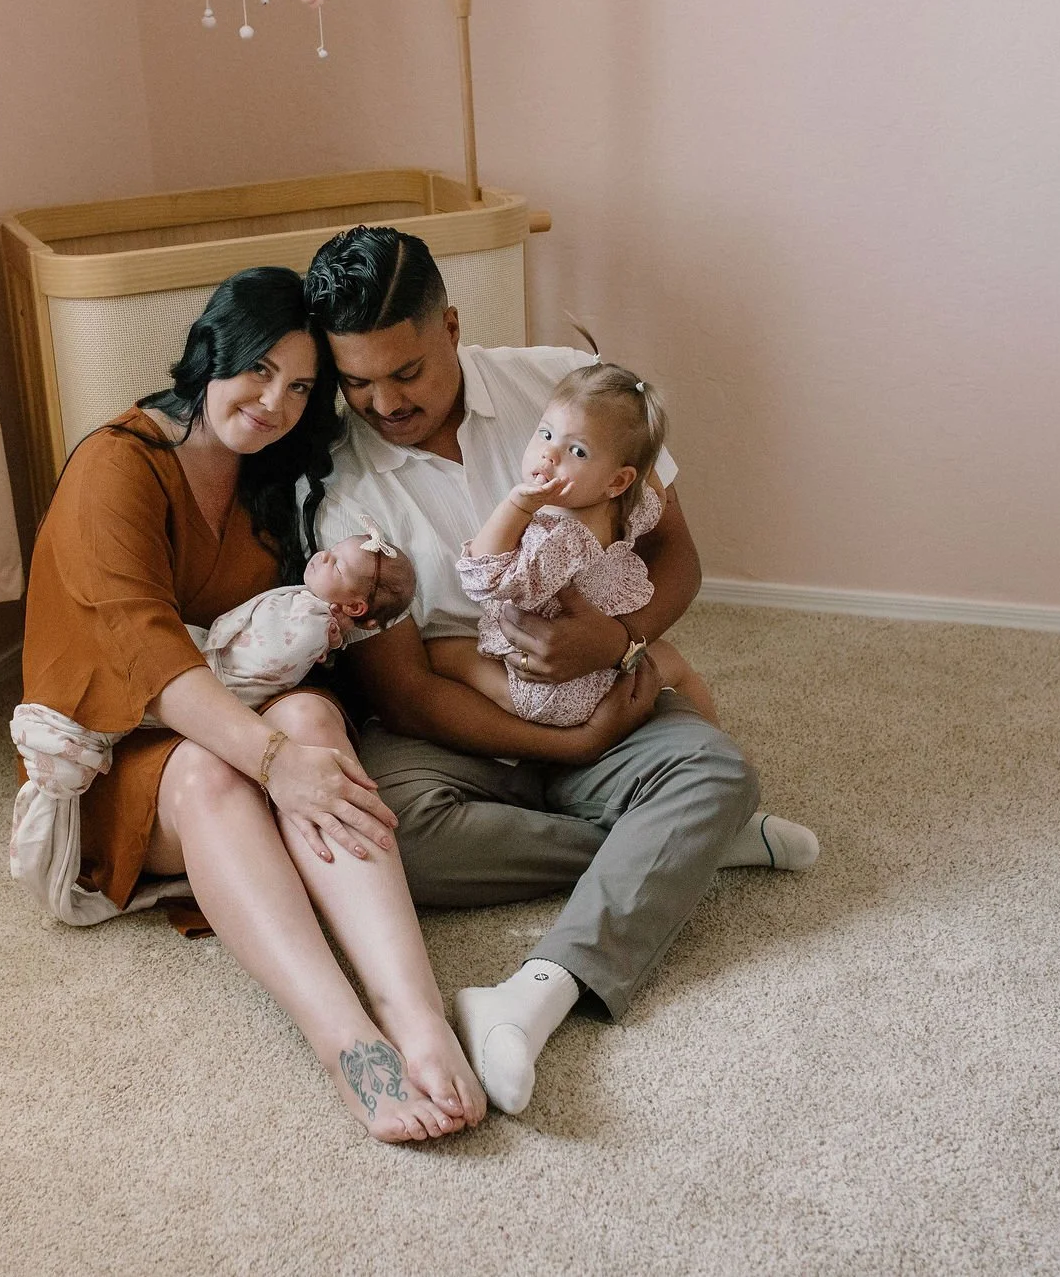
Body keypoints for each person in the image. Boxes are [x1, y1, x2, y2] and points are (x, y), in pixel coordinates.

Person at [305, 227, 820, 1116]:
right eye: (357, 380)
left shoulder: (570, 392)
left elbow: (676, 553)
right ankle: (679, 848)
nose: (384, 401)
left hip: (595, 669)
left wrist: (620, 642)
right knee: (391, 844)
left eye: (408, 371)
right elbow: (405, 693)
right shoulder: (341, 485)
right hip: (459, 714)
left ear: (453, 326)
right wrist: (580, 740)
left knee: (718, 770)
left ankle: (535, 990)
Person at [19, 266, 485, 1141]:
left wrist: (382, 586)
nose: (275, 402)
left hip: (243, 718)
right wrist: (275, 764)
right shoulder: (115, 466)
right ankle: (349, 1042)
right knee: (212, 769)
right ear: (212, 350)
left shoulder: (270, 477)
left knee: (313, 716)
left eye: (302, 386)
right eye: (260, 369)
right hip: (117, 757)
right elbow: (149, 661)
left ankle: (416, 1014)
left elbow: (298, 628)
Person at [439, 359, 719, 726]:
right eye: (546, 433)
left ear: (617, 480)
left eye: (578, 451)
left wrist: (515, 506)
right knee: (673, 664)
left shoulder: (558, 538)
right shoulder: (626, 508)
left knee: (446, 653)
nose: (550, 454)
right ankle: (717, 731)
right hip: (605, 664)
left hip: (547, 684)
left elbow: (484, 577)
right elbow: (656, 497)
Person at [172, 524, 417, 713]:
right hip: (213, 648)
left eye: (337, 566)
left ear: (354, 607)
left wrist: (213, 669)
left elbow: (271, 662)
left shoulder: (313, 625)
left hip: (222, 677)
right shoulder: (312, 607)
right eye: (331, 551)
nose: (323, 557)